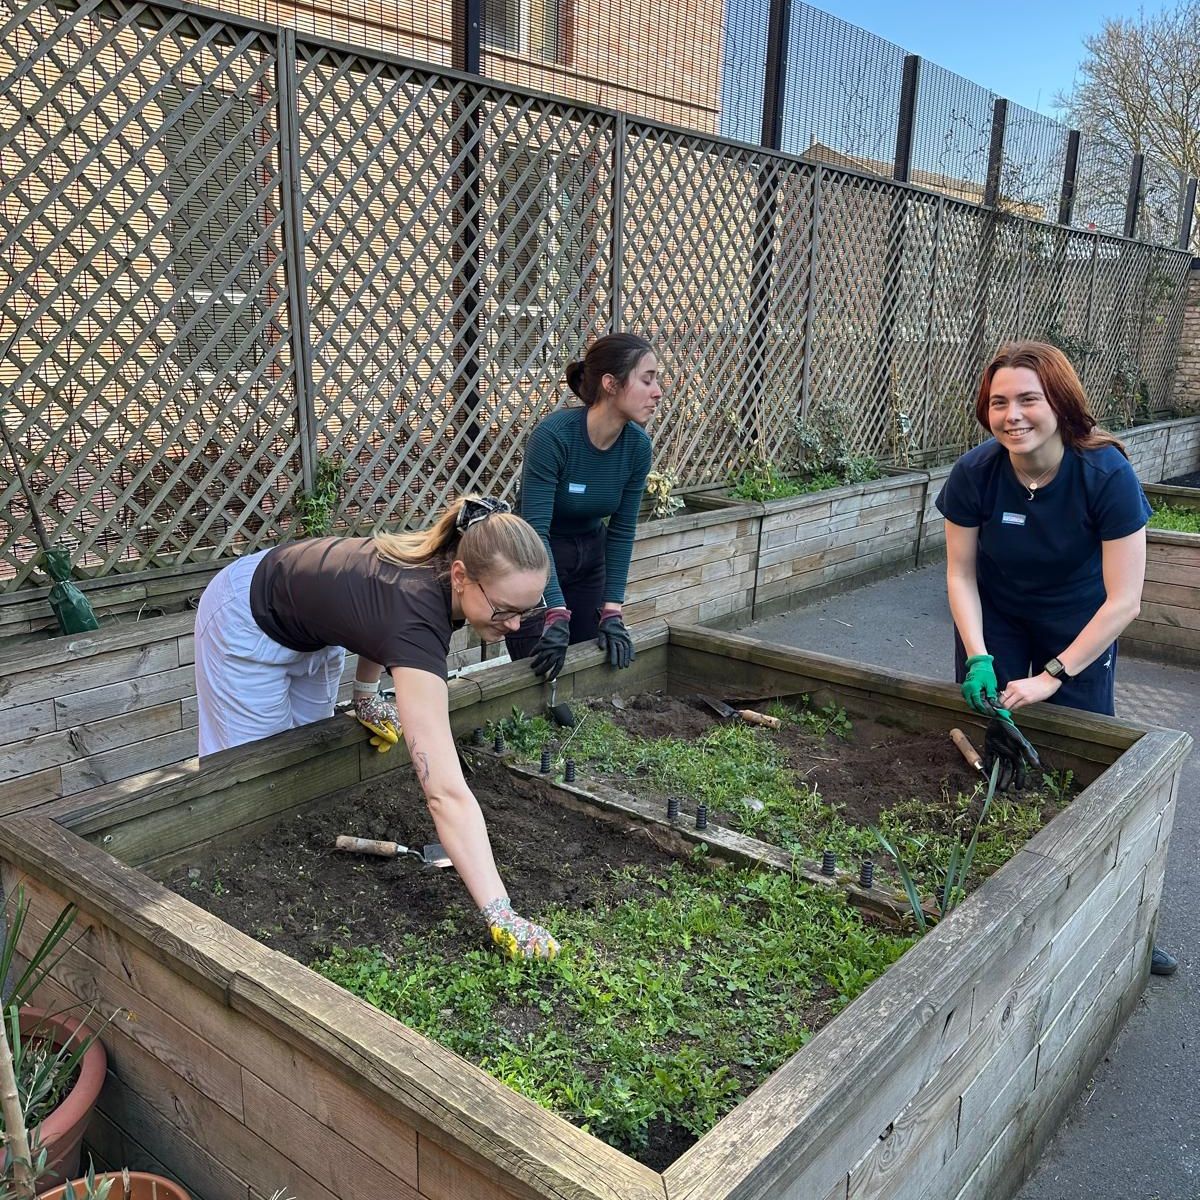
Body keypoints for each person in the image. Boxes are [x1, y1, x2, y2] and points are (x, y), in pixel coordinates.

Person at [194, 496, 559, 960]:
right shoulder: (416, 613)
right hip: (245, 619)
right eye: (505, 609)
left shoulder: (444, 569)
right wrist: (500, 913)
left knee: (301, 762)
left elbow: (376, 618)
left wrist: (366, 695)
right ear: (463, 577)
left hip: (312, 627)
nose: (513, 625)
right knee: (249, 779)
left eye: (525, 611)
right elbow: (443, 792)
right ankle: (229, 917)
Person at [936, 340, 1177, 976]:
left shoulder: (1105, 475)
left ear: (1059, 404)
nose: (1012, 414)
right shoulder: (976, 474)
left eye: (1027, 399)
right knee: (1000, 739)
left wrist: (1053, 676)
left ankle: (1122, 919)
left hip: (1081, 626)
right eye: (998, 402)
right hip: (1001, 620)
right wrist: (978, 656)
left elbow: (1124, 601)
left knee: (1082, 759)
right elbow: (961, 575)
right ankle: (992, 898)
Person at [506, 333, 660, 681]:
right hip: (532, 560)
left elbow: (621, 533)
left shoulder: (637, 447)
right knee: (542, 678)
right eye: (647, 379)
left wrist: (612, 610)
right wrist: (555, 611)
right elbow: (535, 530)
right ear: (610, 384)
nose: (657, 391)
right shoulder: (554, 437)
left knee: (590, 675)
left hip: (590, 558)